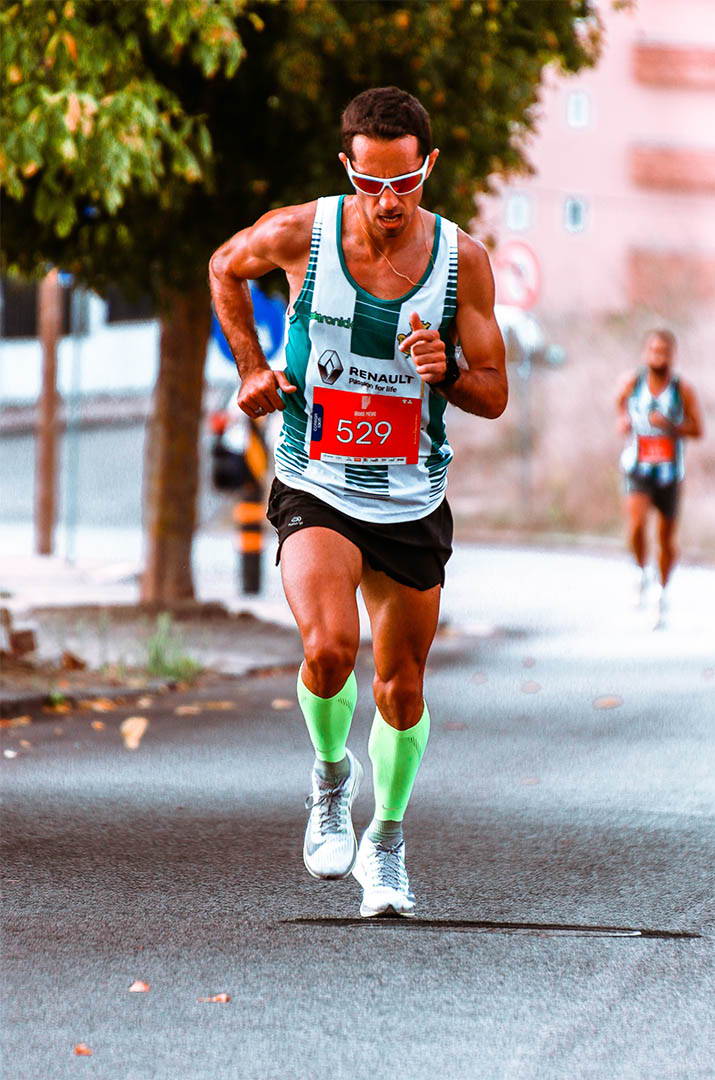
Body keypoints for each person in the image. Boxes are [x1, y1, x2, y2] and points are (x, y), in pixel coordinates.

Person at [209, 86, 507, 917]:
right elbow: (223, 268)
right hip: (316, 479)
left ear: (428, 168)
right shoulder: (299, 233)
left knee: (401, 687)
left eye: (404, 185)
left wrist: (444, 369)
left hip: (411, 497)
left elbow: (493, 393)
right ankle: (331, 781)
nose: (387, 203)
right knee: (330, 647)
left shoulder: (463, 262)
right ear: (348, 167)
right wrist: (249, 368)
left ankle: (388, 843)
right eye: (372, 184)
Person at [616, 329, 703, 627]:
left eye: (664, 351)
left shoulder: (682, 389)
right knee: (637, 525)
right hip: (638, 467)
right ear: (645, 353)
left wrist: (671, 426)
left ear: (672, 355)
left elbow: (697, 429)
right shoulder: (633, 382)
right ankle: (641, 570)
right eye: (653, 350)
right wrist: (624, 420)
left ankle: (661, 594)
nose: (658, 356)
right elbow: (620, 405)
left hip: (669, 471)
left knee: (665, 538)